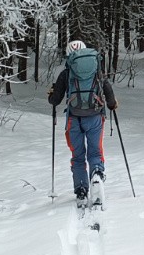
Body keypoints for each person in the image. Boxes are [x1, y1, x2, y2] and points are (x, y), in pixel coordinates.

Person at [48, 40, 118, 204]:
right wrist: (112, 104)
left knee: (78, 156)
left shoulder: (66, 73)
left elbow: (55, 100)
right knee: (95, 152)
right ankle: (97, 175)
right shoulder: (96, 70)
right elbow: (108, 90)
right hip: (95, 117)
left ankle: (81, 189)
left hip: (74, 120)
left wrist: (51, 95)